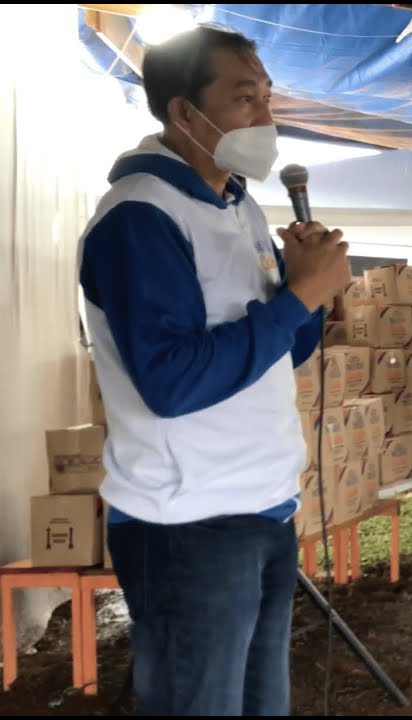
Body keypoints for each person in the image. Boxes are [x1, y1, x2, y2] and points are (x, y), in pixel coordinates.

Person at [78, 27, 349, 715]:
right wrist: (297, 299)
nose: (266, 118)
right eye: (244, 97)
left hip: (264, 505)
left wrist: (306, 291)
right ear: (184, 112)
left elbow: (283, 350)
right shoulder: (141, 215)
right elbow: (171, 383)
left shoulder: (240, 205)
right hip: (188, 523)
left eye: (268, 98)